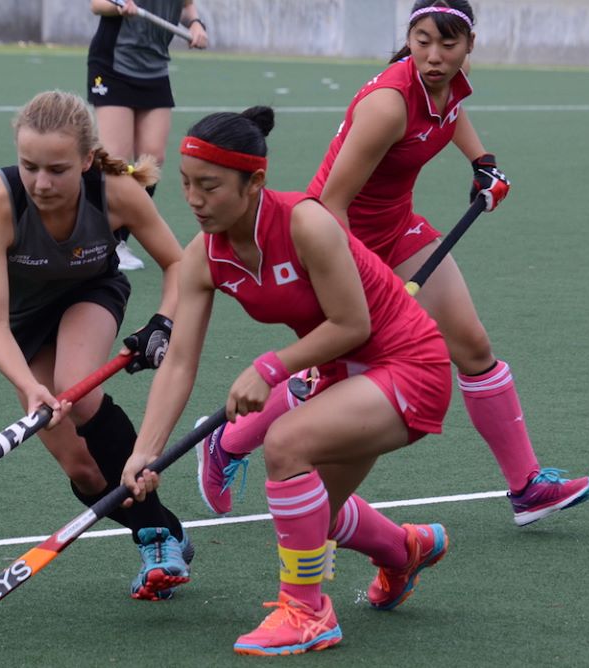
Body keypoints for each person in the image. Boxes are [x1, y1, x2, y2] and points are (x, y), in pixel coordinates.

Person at [199, 0, 589, 527]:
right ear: (408, 39)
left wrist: (482, 162)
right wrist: (372, 287)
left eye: (448, 45)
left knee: (473, 345)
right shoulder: (387, 104)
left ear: (469, 46)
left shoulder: (446, 83)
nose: (434, 57)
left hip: (397, 228)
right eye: (422, 42)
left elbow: (448, 114)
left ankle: (528, 488)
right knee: (331, 377)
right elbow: (331, 206)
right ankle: (227, 442)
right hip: (336, 243)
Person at [121, 107, 453, 655]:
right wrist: (144, 452)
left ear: (254, 182)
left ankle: (307, 612)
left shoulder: (306, 223)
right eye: (185, 184)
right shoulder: (204, 256)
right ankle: (404, 549)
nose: (195, 200)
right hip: (344, 375)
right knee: (315, 515)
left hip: (409, 364)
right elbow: (179, 362)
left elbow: (353, 324)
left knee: (285, 444)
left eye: (210, 186)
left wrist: (270, 367)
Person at [0, 89, 191, 601]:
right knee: (85, 472)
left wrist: (163, 321)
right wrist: (29, 387)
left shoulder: (116, 192)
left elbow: (179, 264)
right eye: (30, 166)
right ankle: (167, 530)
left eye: (58, 169)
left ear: (87, 159)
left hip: (89, 294)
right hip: (21, 322)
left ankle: (154, 541)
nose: (41, 183)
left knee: (78, 389)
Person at [88, 0, 208, 270]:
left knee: (151, 159)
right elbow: (97, 4)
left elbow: (187, 6)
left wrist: (196, 24)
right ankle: (109, 241)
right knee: (116, 158)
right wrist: (118, 7)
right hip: (113, 64)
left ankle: (118, 237)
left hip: (154, 68)